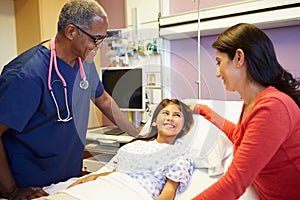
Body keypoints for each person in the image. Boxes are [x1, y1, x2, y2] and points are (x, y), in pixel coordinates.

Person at [0, 0, 139, 199]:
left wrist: (136, 133)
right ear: (71, 32)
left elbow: (104, 99)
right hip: (29, 186)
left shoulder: (84, 62)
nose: (98, 46)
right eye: (95, 39)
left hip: (66, 178)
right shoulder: (26, 74)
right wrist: (11, 190)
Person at [191, 23, 300, 199]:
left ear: (239, 58)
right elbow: (240, 136)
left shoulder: (273, 107)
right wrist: (205, 110)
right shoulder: (252, 103)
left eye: (219, 62)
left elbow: (234, 183)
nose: (218, 73)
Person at [39, 98, 194, 200]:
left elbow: (169, 192)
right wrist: (87, 179)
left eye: (177, 115)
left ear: (183, 126)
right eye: (165, 113)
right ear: (154, 122)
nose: (170, 118)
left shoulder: (179, 155)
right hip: (104, 185)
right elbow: (117, 172)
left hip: (131, 193)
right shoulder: (136, 145)